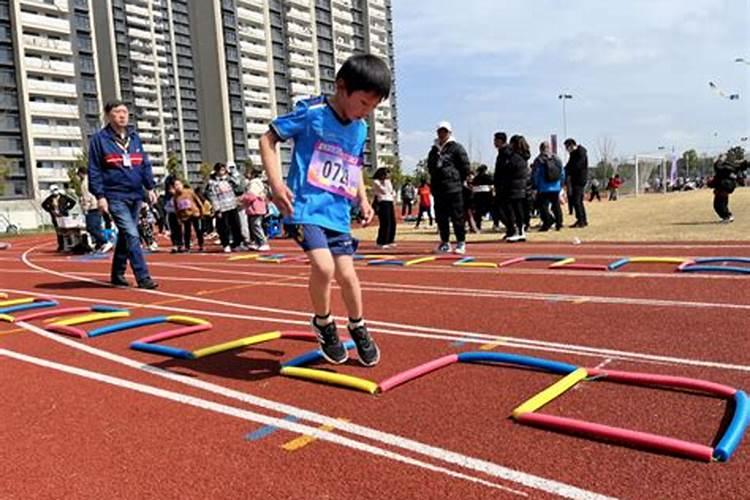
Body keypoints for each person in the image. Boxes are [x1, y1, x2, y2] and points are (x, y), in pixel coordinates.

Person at [259, 54, 388, 366]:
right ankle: (324, 322)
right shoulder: (312, 113)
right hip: (303, 208)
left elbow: (353, 165)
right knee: (325, 267)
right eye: (363, 103)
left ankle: (358, 325)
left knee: (348, 274)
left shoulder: (359, 129)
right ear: (342, 88)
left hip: (337, 212)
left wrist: (363, 198)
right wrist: (276, 185)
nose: (366, 112)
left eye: (373, 107)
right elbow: (268, 138)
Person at [88, 100, 158, 289]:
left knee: (126, 237)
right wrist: (100, 196)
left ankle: (117, 273)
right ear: (108, 115)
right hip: (114, 195)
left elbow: (144, 164)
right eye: (118, 112)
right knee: (132, 234)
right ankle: (143, 277)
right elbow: (94, 170)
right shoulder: (99, 140)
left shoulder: (134, 138)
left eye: (125, 112)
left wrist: (150, 187)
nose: (122, 115)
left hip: (135, 195)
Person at [427, 121, 470, 254]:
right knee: (441, 217)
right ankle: (445, 242)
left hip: (454, 188)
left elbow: (465, 167)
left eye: (445, 131)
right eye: (440, 131)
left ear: (450, 133)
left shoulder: (457, 148)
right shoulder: (433, 150)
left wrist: (458, 180)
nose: (442, 134)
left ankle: (460, 242)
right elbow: (430, 167)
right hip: (439, 189)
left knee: (457, 216)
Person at [207, 163, 244, 253]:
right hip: (222, 207)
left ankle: (237, 243)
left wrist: (232, 172)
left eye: (224, 170)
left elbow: (238, 183)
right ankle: (226, 244)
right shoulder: (213, 183)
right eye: (221, 170)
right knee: (224, 227)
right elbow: (213, 196)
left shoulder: (229, 179)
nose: (222, 172)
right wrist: (217, 209)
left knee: (236, 225)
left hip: (232, 205)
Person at [501, 135, 531, 242]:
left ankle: (519, 231)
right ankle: (520, 231)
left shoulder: (515, 157)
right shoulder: (523, 156)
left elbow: (509, 170)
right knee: (518, 209)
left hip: (514, 186)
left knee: (515, 209)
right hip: (520, 186)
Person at [532, 141, 565, 231]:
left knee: (543, 207)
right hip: (555, 186)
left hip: (543, 187)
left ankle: (547, 223)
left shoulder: (538, 160)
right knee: (556, 206)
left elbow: (535, 174)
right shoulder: (557, 158)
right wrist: (561, 184)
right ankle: (559, 223)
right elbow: (562, 173)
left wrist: (535, 185)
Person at [77, 167, 111, 253]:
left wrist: (86, 207)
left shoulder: (85, 183)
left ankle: (104, 241)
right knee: (97, 227)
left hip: (92, 207)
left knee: (91, 227)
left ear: (81, 174)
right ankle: (99, 244)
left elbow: (88, 197)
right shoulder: (92, 180)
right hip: (97, 205)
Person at [710, 155, 748, 223]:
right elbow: (741, 182)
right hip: (727, 187)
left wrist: (720, 160)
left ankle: (727, 216)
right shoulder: (737, 170)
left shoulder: (728, 167)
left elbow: (718, 168)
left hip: (723, 186)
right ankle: (727, 216)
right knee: (723, 203)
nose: (737, 160)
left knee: (718, 205)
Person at [240, 169, 271, 251]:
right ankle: (257, 243)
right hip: (255, 208)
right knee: (253, 226)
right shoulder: (259, 183)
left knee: (256, 226)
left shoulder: (254, 183)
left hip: (255, 208)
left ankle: (263, 242)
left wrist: (242, 199)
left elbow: (251, 196)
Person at [171, 179, 205, 252]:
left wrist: (202, 212)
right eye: (175, 185)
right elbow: (176, 208)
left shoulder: (189, 192)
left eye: (178, 184)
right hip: (185, 216)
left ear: (182, 185)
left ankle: (201, 245)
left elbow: (198, 202)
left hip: (195, 214)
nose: (177, 187)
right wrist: (178, 218)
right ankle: (187, 247)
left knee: (198, 230)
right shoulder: (175, 196)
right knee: (187, 231)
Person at [42, 185, 77, 252]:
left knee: (67, 231)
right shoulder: (50, 198)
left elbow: (73, 202)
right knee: (59, 232)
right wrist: (50, 210)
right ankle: (61, 246)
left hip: (64, 216)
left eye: (56, 189)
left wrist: (67, 208)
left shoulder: (63, 197)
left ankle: (70, 245)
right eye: (53, 190)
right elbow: (43, 205)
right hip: (55, 217)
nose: (55, 192)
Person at [564, 138, 589, 228]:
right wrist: (564, 170)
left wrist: (569, 170)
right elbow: (569, 165)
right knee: (578, 201)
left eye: (567, 147)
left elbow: (577, 165)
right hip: (575, 179)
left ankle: (581, 221)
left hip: (580, 180)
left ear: (571, 145)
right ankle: (582, 220)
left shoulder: (581, 152)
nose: (567, 150)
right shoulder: (573, 154)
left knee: (577, 201)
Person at [492, 132, 513, 237]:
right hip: (500, 186)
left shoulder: (507, 153)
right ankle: (510, 229)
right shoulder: (501, 153)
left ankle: (512, 229)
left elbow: (506, 170)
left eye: (495, 140)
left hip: (506, 186)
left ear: (501, 140)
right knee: (498, 209)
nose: (494, 142)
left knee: (504, 209)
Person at [372, 167, 397, 248]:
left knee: (392, 221)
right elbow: (384, 191)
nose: (387, 176)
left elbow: (392, 191)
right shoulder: (376, 182)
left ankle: (390, 240)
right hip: (382, 201)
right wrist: (384, 183)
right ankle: (382, 241)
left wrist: (393, 194)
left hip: (389, 201)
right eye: (386, 174)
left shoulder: (388, 181)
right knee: (385, 222)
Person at [471, 164, 493, 231]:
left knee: (478, 213)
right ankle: (496, 223)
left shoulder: (476, 178)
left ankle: (478, 225)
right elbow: (492, 184)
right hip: (487, 196)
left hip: (478, 197)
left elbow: (473, 186)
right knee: (492, 210)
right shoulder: (488, 177)